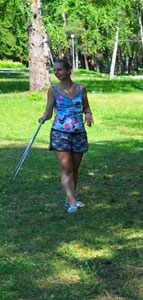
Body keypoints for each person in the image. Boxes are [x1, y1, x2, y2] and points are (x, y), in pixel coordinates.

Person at [38, 58, 94, 214]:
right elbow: (49, 111)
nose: (56, 73)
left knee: (75, 169)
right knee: (66, 168)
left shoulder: (81, 88)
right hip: (60, 133)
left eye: (59, 70)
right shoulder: (53, 90)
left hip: (78, 133)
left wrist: (88, 114)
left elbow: (86, 107)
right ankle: (72, 200)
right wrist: (43, 118)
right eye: (54, 70)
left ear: (69, 70)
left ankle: (70, 198)